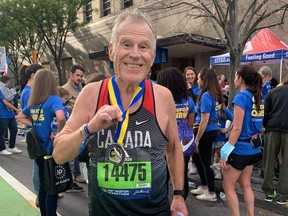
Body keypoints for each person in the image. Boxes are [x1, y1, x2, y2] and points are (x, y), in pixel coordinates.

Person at [53, 9, 188, 216]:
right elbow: (60, 155)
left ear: (152, 56)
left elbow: (174, 148)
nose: (135, 53)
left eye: (143, 47)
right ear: (111, 51)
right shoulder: (92, 94)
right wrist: (89, 128)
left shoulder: (163, 96)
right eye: (126, 44)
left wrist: (178, 194)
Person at [16, 69, 66, 216]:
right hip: (51, 148)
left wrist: (35, 125)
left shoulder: (33, 102)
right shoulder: (53, 99)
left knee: (44, 184)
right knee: (52, 186)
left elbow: (19, 117)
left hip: (37, 147)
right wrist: (61, 134)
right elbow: (61, 117)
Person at [219, 65, 263, 216]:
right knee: (246, 185)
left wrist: (224, 152)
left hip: (240, 148)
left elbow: (236, 128)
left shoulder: (241, 97)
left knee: (228, 186)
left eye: (236, 76)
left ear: (241, 79)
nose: (233, 79)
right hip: (253, 148)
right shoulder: (257, 95)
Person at [157, 67, 195, 200]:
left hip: (164, 142)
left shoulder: (161, 101)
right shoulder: (188, 100)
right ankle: (180, 202)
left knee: (163, 175)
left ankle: (162, 203)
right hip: (183, 142)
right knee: (182, 174)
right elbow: (190, 122)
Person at [190, 68, 222, 202]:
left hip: (206, 131)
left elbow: (204, 120)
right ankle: (204, 185)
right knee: (197, 158)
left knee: (206, 162)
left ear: (204, 79)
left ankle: (211, 192)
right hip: (211, 130)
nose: (197, 80)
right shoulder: (215, 94)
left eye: (198, 78)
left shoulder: (207, 96)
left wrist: (197, 139)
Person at [19, 64, 44, 206]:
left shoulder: (27, 91)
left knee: (39, 164)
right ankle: (40, 194)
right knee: (38, 165)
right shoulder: (29, 92)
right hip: (35, 133)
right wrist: (35, 124)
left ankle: (42, 193)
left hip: (33, 131)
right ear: (33, 75)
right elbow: (28, 114)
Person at [262, 74, 288, 205]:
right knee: (286, 163)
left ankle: (269, 191)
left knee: (269, 161)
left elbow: (265, 111)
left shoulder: (273, 92)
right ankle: (283, 194)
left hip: (272, 128)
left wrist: (266, 126)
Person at [62, 64, 86, 184]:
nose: (80, 78)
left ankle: (75, 174)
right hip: (71, 124)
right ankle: (74, 175)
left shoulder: (81, 88)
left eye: (81, 76)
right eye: (77, 75)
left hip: (82, 123)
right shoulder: (64, 89)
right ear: (70, 74)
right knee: (73, 152)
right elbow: (61, 108)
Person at [57, 86, 84, 192]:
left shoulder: (65, 108)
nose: (66, 100)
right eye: (64, 98)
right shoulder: (59, 109)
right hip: (66, 137)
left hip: (70, 135)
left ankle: (71, 180)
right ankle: (69, 182)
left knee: (73, 158)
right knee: (69, 161)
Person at [0, 76, 21, 155]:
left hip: (10, 113)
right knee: (2, 133)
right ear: (7, 81)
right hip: (2, 114)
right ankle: (2, 149)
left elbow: (12, 99)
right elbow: (6, 102)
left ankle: (12, 147)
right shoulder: (1, 89)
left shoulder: (6, 89)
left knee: (14, 129)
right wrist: (16, 110)